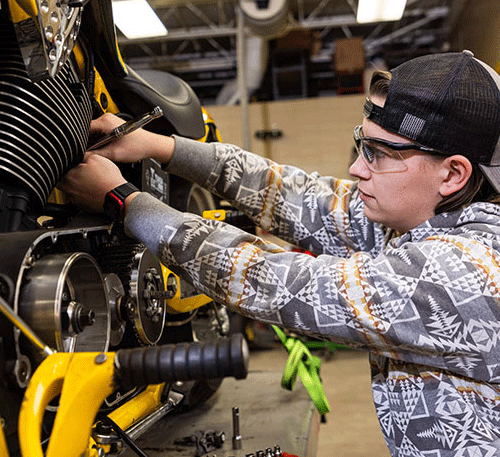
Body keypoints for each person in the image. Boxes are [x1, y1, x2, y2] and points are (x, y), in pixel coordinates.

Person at [59, 50, 500, 456]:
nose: (356, 168)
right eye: (361, 144)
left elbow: (277, 283)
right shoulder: (424, 218)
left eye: (378, 154)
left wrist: (124, 201)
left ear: (453, 174)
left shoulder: (467, 273)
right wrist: (161, 147)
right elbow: (298, 196)